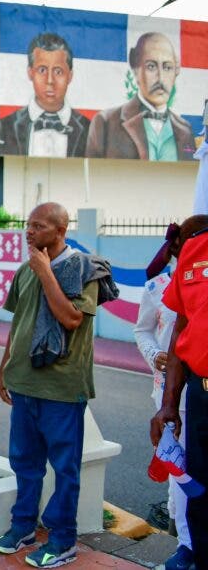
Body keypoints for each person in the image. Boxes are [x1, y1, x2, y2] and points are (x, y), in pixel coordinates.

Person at [0, 203, 115, 568]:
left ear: (60, 230)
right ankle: (23, 527)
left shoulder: (83, 269)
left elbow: (72, 318)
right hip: (24, 381)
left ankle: (63, 540)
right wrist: (3, 369)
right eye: (28, 225)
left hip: (61, 387)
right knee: (25, 462)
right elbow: (19, 325)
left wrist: (46, 272)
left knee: (65, 467)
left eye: (38, 226)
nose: (29, 232)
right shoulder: (25, 270)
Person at [135, 224, 193, 570]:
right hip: (168, 392)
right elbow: (142, 329)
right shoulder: (157, 287)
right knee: (178, 470)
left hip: (199, 388)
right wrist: (154, 353)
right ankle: (183, 542)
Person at [152, 215, 208, 569]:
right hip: (201, 395)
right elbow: (180, 331)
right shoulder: (195, 247)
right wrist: (168, 403)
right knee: (200, 488)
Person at [86, 32, 195, 161]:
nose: (160, 78)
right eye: (151, 66)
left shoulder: (185, 130)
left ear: (176, 72)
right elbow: (91, 178)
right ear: (135, 70)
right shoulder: (105, 123)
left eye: (167, 67)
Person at [0, 33, 90, 158]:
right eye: (42, 70)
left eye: (58, 71)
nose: (50, 80)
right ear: (30, 73)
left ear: (70, 76)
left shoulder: (90, 130)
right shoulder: (4, 127)